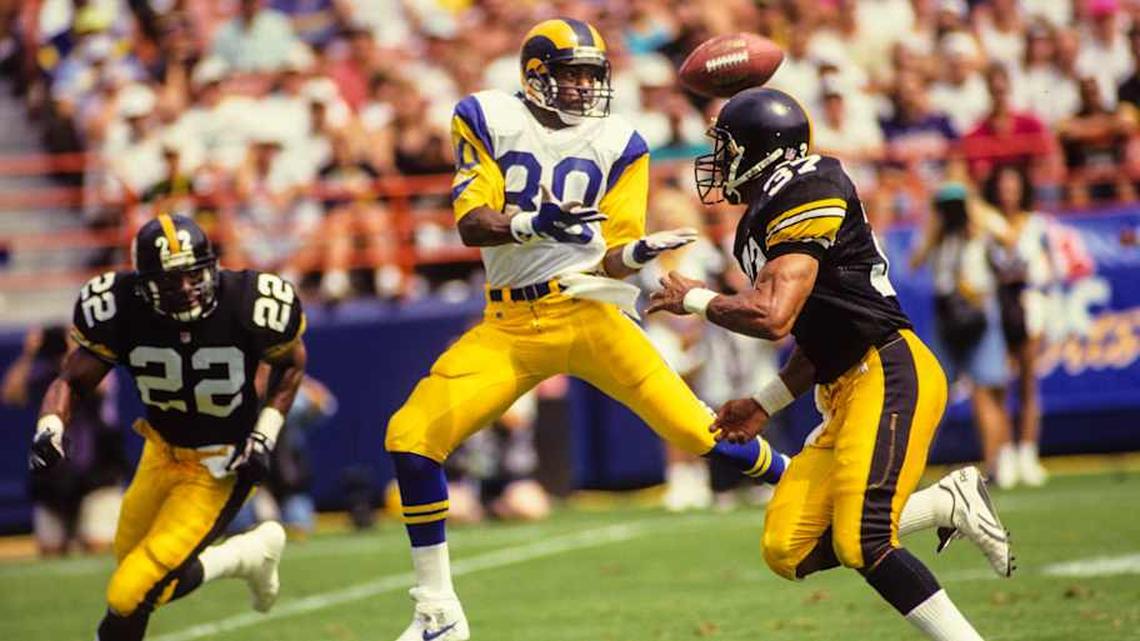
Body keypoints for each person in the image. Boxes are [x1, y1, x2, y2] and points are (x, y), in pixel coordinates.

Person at [383, 19, 789, 641]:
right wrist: (530, 225)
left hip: (590, 310)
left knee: (702, 431)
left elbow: (611, 258)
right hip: (512, 322)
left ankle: (813, 484)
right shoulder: (487, 116)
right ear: (535, 74)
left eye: (591, 76)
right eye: (571, 74)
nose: (582, 87)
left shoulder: (622, 142)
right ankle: (437, 610)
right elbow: (472, 223)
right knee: (411, 438)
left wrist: (643, 251)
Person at [649, 88, 1013, 641]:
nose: (718, 162)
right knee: (787, 547)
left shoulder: (808, 184)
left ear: (761, 151)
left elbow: (773, 316)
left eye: (727, 148)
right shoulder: (758, 221)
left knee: (863, 541)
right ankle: (944, 502)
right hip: (842, 383)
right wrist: (764, 403)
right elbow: (811, 335)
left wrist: (697, 300)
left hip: (887, 368)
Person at [28, 214, 307, 641]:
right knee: (133, 571)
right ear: (143, 284)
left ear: (212, 266)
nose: (186, 288)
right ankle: (245, 556)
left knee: (128, 594)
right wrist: (50, 427)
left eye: (194, 275)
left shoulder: (249, 300)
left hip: (220, 464)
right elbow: (72, 380)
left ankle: (243, 555)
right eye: (170, 281)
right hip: (160, 450)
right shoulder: (119, 306)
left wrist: (263, 436)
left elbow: (290, 364)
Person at [912, 184, 1017, 488]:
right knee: (932, 393)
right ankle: (912, 468)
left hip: (979, 312)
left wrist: (975, 214)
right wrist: (934, 226)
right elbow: (914, 262)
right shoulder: (936, 235)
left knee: (985, 391)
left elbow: (1009, 239)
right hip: (946, 317)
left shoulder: (981, 228)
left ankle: (994, 466)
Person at [3, 325, 126, 556]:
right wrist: (29, 354)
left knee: (97, 544)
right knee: (50, 549)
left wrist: (77, 349)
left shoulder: (92, 367)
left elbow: (100, 386)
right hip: (53, 475)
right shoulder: (41, 371)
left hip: (97, 472)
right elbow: (11, 393)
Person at [983, 166, 1053, 487]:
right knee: (1000, 384)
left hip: (1027, 304)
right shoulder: (989, 223)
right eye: (1003, 185)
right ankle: (1005, 454)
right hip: (998, 306)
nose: (1008, 192)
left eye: (1013, 185)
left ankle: (1028, 452)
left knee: (1027, 381)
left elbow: (1046, 266)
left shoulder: (1036, 224)